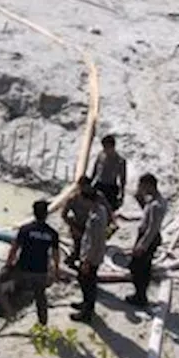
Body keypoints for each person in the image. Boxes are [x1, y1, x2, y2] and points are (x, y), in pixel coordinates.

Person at [6, 200, 60, 326]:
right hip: (41, 270)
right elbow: (55, 254)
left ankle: (12, 315)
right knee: (40, 296)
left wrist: (8, 265)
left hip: (23, 267)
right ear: (46, 214)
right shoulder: (52, 233)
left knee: (16, 289)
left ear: (34, 213)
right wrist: (56, 270)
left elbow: (14, 249)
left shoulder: (25, 229)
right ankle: (43, 322)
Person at [126, 173, 168, 308]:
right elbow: (145, 210)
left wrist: (141, 246)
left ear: (149, 185)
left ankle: (140, 296)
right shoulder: (154, 201)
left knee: (139, 268)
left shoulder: (157, 205)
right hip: (147, 236)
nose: (140, 188)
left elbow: (152, 228)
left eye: (142, 185)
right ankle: (139, 294)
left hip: (148, 238)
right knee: (140, 267)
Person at [70, 192, 110, 323]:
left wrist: (86, 261)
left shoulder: (95, 218)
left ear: (88, 201)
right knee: (86, 281)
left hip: (91, 257)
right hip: (93, 255)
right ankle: (86, 305)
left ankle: (86, 312)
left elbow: (94, 242)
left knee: (87, 283)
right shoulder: (101, 210)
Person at [62, 177, 95, 266]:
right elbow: (64, 215)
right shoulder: (73, 199)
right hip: (77, 225)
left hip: (91, 225)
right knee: (78, 247)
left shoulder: (96, 197)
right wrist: (73, 226)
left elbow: (106, 209)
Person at [90, 134, 127, 211]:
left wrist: (122, 194)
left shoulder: (119, 161)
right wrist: (90, 183)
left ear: (112, 146)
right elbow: (95, 170)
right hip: (99, 184)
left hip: (110, 187)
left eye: (106, 147)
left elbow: (122, 179)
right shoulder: (101, 155)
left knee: (109, 208)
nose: (104, 149)